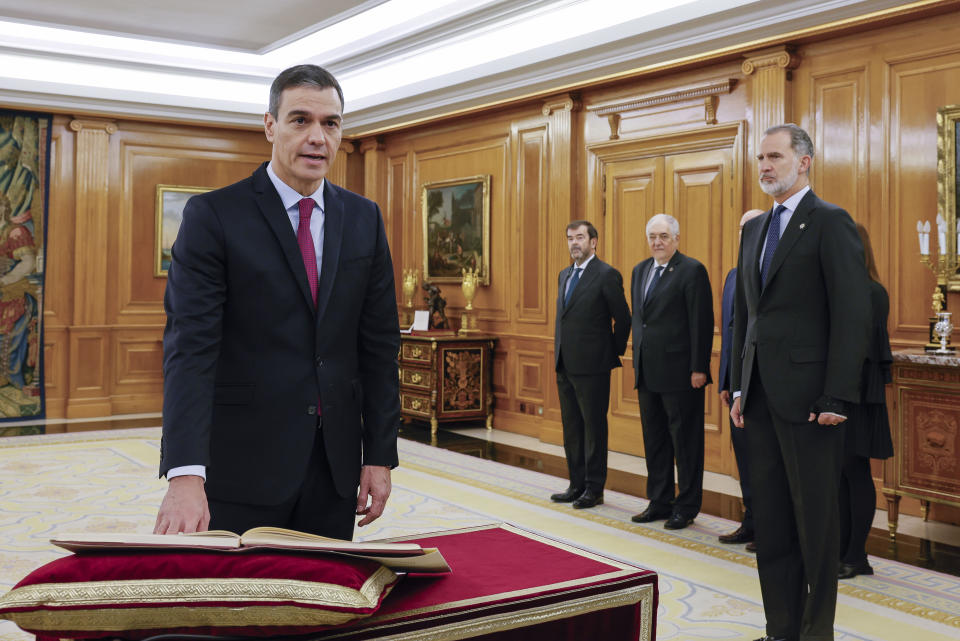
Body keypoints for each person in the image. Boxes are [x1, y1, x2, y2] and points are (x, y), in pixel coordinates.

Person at [155, 64, 401, 541]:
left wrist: (378, 455)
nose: (317, 137)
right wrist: (185, 473)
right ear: (269, 125)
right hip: (242, 463)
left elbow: (378, 345)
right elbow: (190, 351)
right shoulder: (214, 216)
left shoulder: (364, 218)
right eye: (300, 120)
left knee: (325, 605)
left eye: (330, 123)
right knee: (238, 607)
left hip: (334, 468)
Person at [730, 123, 872, 641]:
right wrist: (740, 385)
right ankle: (780, 629)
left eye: (774, 156)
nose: (765, 166)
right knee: (771, 526)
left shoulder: (831, 222)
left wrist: (837, 393)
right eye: (760, 158)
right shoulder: (753, 229)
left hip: (814, 402)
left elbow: (851, 315)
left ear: (805, 161)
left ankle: (816, 634)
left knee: (816, 529)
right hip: (761, 399)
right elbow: (749, 315)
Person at [629, 214, 713, 530]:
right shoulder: (640, 270)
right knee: (655, 440)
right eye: (652, 236)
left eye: (663, 236)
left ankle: (687, 505)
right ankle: (659, 501)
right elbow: (642, 320)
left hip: (681, 373)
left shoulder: (691, 270)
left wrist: (699, 368)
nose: (657, 242)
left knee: (685, 442)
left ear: (676, 238)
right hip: (647, 371)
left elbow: (700, 323)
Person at [551, 220, 631, 509]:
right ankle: (576, 484)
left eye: (580, 238)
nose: (575, 243)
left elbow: (623, 319)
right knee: (571, 428)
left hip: (594, 366)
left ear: (593, 242)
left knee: (593, 429)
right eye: (570, 238)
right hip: (565, 363)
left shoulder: (606, 274)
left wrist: (610, 354)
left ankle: (594, 489)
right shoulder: (564, 275)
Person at [838, 223, 894, 580]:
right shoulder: (846, 288)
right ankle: (844, 549)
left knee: (855, 472)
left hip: (858, 394)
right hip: (842, 392)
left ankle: (857, 555)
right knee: (840, 475)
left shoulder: (872, 291)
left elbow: (861, 349)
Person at [717, 209, 764, 550]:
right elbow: (729, 333)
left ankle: (770, 527)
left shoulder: (771, 273)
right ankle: (750, 521)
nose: (745, 233)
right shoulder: (733, 275)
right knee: (745, 459)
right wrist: (726, 381)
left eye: (753, 227)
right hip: (737, 386)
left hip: (763, 384)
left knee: (766, 463)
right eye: (741, 228)